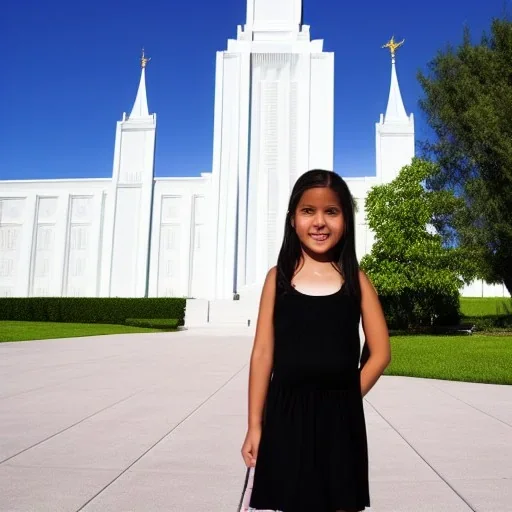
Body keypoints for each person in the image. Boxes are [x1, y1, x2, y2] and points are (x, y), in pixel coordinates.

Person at [240, 169, 391, 512]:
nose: (319, 222)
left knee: (341, 501)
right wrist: (255, 424)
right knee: (291, 500)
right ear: (292, 219)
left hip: (341, 419)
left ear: (346, 221)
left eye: (331, 212)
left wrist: (347, 397)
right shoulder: (277, 280)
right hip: (285, 415)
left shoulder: (357, 280)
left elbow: (381, 353)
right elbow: (263, 354)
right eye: (308, 211)